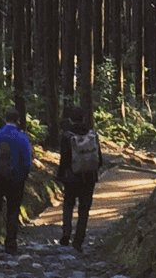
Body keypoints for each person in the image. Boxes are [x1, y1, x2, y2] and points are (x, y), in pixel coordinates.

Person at [0, 107, 32, 253]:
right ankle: (10, 242)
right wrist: (22, 177)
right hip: (15, 180)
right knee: (13, 209)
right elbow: (27, 161)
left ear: (5, 119)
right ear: (18, 121)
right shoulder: (22, 138)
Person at [56, 105, 103, 251]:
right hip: (89, 178)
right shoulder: (92, 135)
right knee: (84, 208)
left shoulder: (67, 136)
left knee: (68, 205)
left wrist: (60, 175)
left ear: (70, 119)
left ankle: (66, 233)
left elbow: (64, 159)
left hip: (71, 178)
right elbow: (99, 159)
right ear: (83, 118)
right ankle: (79, 239)